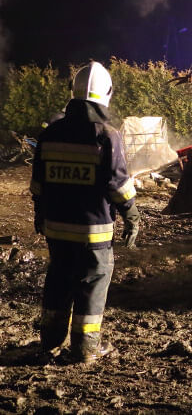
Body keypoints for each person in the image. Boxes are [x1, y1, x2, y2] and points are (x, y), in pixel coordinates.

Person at [30, 61, 139, 363]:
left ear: (73, 92)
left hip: (56, 229)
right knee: (92, 285)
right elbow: (118, 186)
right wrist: (132, 217)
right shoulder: (107, 136)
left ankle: (50, 340)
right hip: (94, 233)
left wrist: (40, 215)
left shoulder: (50, 133)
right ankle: (86, 348)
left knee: (59, 278)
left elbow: (37, 184)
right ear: (107, 93)